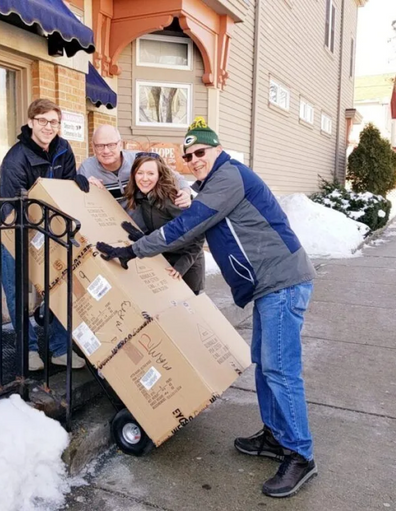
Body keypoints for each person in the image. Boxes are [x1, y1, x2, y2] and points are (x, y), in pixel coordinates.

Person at [96, 117, 317, 498]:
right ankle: (277, 437)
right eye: (189, 155)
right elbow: (193, 217)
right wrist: (150, 232)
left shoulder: (229, 176)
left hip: (282, 281)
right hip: (269, 285)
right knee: (265, 365)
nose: (195, 159)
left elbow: (192, 226)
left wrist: (132, 251)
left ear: (217, 149)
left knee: (280, 369)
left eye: (201, 152)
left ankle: (300, 454)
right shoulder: (214, 183)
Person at [0, 98, 90, 372]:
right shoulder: (16, 158)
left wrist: (77, 184)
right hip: (15, 228)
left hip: (52, 229)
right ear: (30, 123)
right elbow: (15, 203)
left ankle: (60, 348)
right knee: (16, 290)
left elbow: (67, 187)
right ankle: (28, 350)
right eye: (42, 121)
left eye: (53, 122)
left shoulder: (63, 149)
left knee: (58, 286)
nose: (48, 127)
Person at [77, 125, 192, 229]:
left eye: (111, 145)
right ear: (93, 146)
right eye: (100, 146)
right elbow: (79, 203)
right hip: (109, 230)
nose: (106, 151)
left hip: (144, 230)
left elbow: (176, 177)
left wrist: (186, 192)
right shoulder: (86, 169)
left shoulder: (139, 160)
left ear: (120, 144)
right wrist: (89, 191)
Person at [121, 152, 205, 295]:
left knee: (188, 312)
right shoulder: (141, 196)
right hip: (164, 261)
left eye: (150, 173)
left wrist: (181, 266)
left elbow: (198, 235)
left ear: (159, 175)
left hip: (186, 265)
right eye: (140, 173)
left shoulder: (172, 198)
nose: (144, 178)